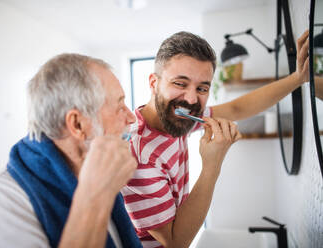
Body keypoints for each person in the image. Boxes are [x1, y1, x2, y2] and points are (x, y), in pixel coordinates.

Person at [121, 30, 309, 248]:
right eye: (180, 84)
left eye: (202, 88)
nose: (191, 99)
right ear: (154, 83)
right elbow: (176, 243)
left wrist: (298, 78)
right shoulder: (138, 155)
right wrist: (212, 164)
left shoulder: (178, 119)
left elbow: (236, 108)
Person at [0, 54, 143, 247]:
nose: (132, 118)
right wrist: (96, 197)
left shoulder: (99, 176)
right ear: (77, 124)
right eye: (119, 106)